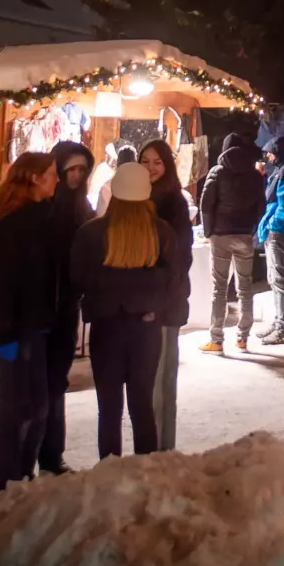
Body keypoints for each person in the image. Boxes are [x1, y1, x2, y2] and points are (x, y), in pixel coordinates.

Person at [71, 161, 179, 459]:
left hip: (107, 325)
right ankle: (145, 468)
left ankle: (109, 468)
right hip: (146, 327)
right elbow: (173, 279)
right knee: (141, 404)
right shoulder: (162, 233)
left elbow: (77, 278)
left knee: (108, 407)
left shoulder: (92, 233)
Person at [0, 151, 59, 501]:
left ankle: (21, 478)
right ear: (35, 178)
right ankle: (3, 488)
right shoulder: (13, 224)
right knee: (13, 409)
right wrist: (3, 332)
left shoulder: (37, 218)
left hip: (33, 327)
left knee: (36, 406)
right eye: (51, 173)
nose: (55, 179)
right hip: (13, 330)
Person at [38, 140, 94, 476]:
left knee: (57, 381)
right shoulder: (43, 206)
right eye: (70, 168)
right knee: (37, 383)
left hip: (66, 306)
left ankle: (51, 454)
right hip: (40, 305)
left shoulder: (81, 207)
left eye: (81, 170)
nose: (75, 175)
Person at [138, 138, 192, 450]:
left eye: (157, 162)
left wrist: (161, 296)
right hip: (139, 302)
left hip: (164, 301)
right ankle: (151, 449)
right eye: (145, 161)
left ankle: (163, 449)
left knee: (162, 377)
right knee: (146, 381)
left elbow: (180, 256)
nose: (151, 168)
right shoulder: (132, 200)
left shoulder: (173, 202)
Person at [199, 132, 265, 354]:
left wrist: (208, 231)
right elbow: (261, 207)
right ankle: (242, 338)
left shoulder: (217, 172)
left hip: (220, 235)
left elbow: (206, 204)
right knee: (245, 287)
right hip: (244, 235)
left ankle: (216, 340)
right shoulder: (255, 176)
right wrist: (250, 228)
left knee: (219, 288)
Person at [256, 136, 284, 346]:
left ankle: (283, 327)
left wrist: (274, 226)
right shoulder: (282, 170)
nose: (268, 156)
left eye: (271, 153)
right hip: (275, 229)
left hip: (279, 231)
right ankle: (278, 322)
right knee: (275, 279)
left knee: (280, 280)